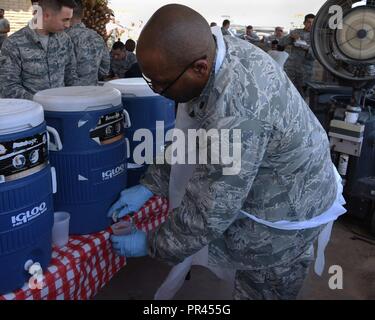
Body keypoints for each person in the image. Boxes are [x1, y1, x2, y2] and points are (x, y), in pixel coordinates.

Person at [108, 4, 345, 300]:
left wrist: (152, 243)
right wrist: (150, 184)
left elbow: (210, 210)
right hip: (276, 181)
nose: (157, 90)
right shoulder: (214, 51)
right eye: (150, 81)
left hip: (286, 215)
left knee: (263, 288)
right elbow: (191, 133)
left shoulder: (238, 111)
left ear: (199, 67)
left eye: (162, 84)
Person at [0, 0, 78, 100]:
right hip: (31, 112)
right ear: (46, 16)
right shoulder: (14, 44)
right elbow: (8, 87)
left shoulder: (64, 40)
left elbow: (71, 76)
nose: (68, 25)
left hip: (62, 110)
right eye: (65, 20)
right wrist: (43, 103)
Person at [66, 0, 110, 85]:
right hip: (93, 91)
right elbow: (105, 68)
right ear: (82, 14)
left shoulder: (63, 37)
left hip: (70, 93)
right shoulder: (97, 37)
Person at [279, 14, 316, 98]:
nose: (310, 25)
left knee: (302, 96)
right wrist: (290, 37)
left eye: (313, 23)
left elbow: (315, 56)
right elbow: (281, 43)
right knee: (287, 92)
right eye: (308, 22)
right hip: (291, 68)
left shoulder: (316, 37)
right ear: (304, 22)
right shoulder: (296, 32)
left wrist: (305, 47)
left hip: (305, 71)